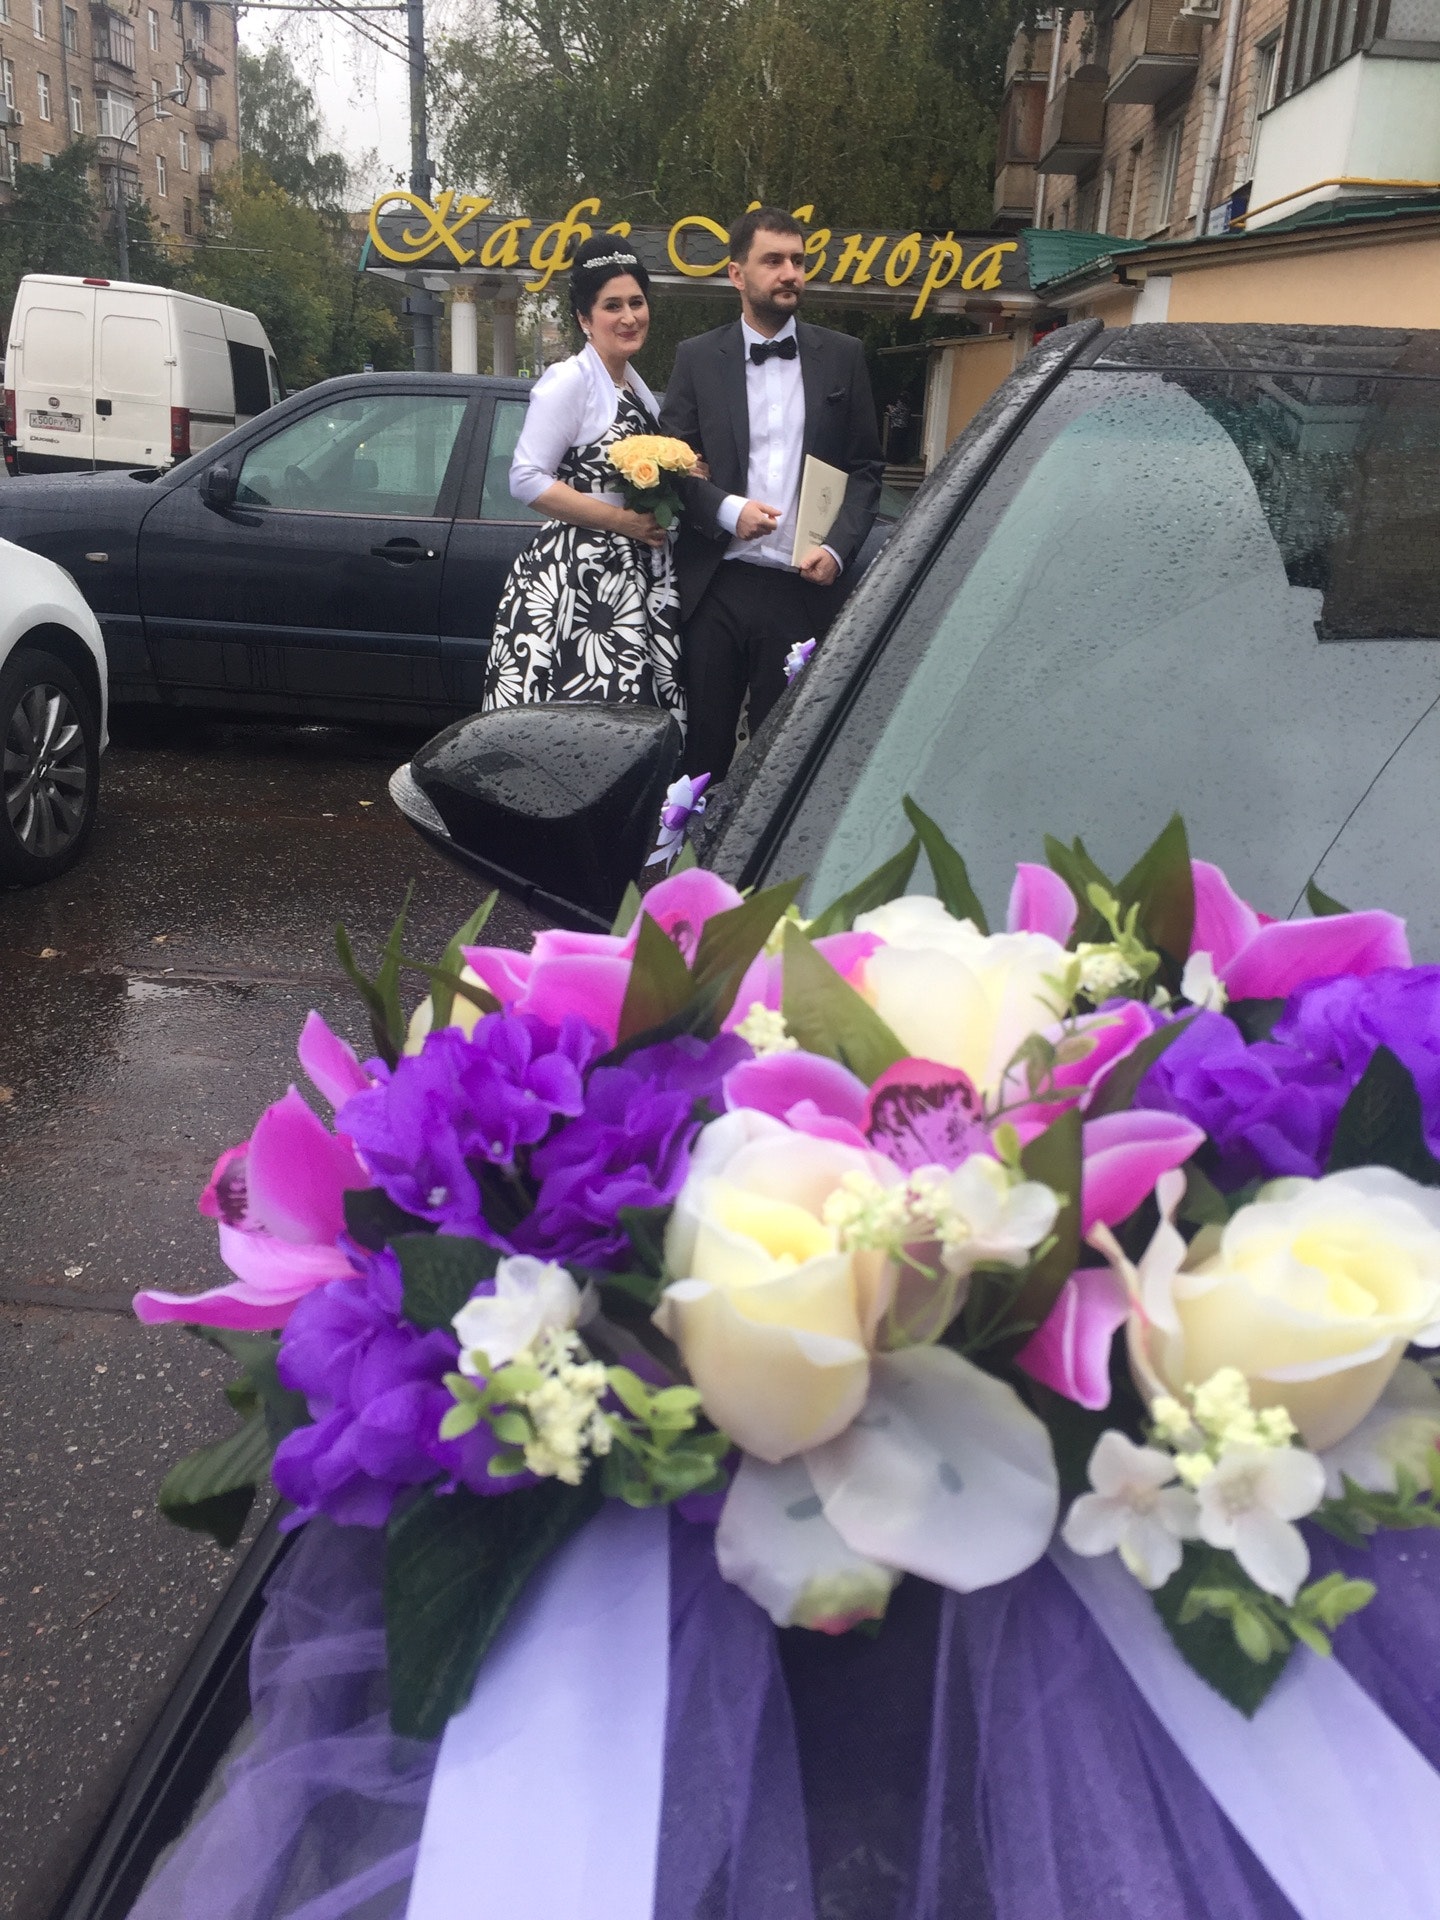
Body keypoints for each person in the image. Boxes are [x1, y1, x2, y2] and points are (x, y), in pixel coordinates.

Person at [659, 206, 884, 780]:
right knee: (701, 754)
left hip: (801, 590)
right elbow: (669, 467)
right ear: (737, 274)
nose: (790, 273)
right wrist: (727, 510)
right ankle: (691, 841)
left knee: (780, 761)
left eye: (798, 261)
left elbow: (865, 469)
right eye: (774, 261)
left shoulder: (843, 356)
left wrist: (836, 550)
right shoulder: (696, 358)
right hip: (717, 584)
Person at [481, 237, 684, 721]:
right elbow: (526, 479)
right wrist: (622, 522)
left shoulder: (632, 385)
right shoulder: (570, 380)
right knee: (586, 719)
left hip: (637, 569)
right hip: (580, 580)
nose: (629, 317)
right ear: (584, 319)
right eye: (612, 306)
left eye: (636, 302)